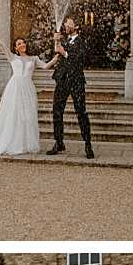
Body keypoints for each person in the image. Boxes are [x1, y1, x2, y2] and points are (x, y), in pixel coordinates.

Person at [0, 29, 54, 156]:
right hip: (15, 88)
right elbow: (1, 44)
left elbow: (46, 66)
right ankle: (12, 141)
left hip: (28, 88)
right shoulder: (12, 57)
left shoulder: (34, 59)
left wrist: (58, 56)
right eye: (19, 44)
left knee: (27, 116)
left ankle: (25, 143)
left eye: (23, 43)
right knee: (14, 114)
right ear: (15, 47)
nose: (22, 45)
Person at [46, 16, 94, 159]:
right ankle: (59, 142)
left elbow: (80, 59)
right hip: (62, 80)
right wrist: (56, 41)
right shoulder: (65, 41)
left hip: (76, 81)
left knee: (81, 112)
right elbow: (57, 53)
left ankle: (87, 144)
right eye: (65, 23)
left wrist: (64, 52)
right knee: (57, 111)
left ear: (76, 26)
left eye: (68, 23)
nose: (66, 25)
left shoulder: (82, 42)